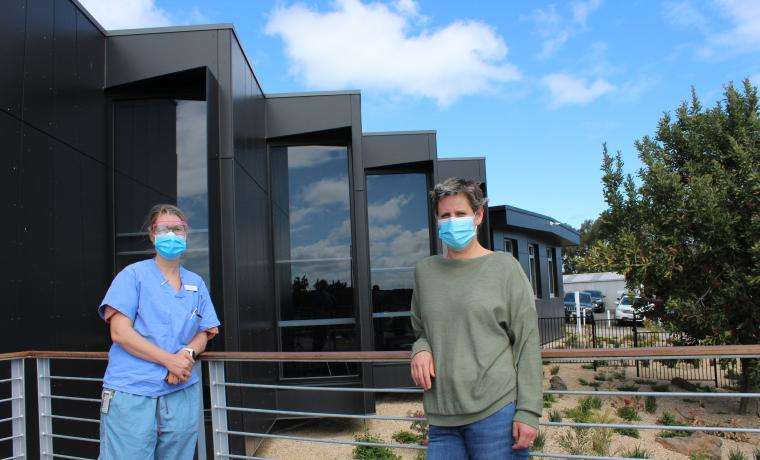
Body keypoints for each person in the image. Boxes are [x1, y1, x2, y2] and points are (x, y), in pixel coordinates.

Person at [409, 178, 542, 459]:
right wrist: (420, 349)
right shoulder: (425, 272)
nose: (452, 221)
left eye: (460, 214)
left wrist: (528, 411)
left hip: (496, 414)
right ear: (437, 220)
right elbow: (422, 329)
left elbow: (527, 342)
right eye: (445, 215)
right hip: (442, 419)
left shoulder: (506, 269)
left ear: (478, 216)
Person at [97, 204, 221, 459]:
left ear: (186, 234)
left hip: (181, 392)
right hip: (133, 392)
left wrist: (186, 354)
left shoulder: (196, 283)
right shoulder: (132, 276)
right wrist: (170, 361)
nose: (172, 235)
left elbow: (205, 332)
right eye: (165, 229)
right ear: (153, 235)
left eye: (178, 229)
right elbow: (119, 333)